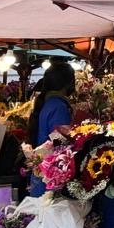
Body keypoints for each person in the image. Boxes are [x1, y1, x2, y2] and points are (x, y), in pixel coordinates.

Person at [27, 62, 75, 197]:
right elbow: (59, 142)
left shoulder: (48, 102)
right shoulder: (59, 106)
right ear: (68, 83)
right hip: (50, 174)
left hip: (42, 170)